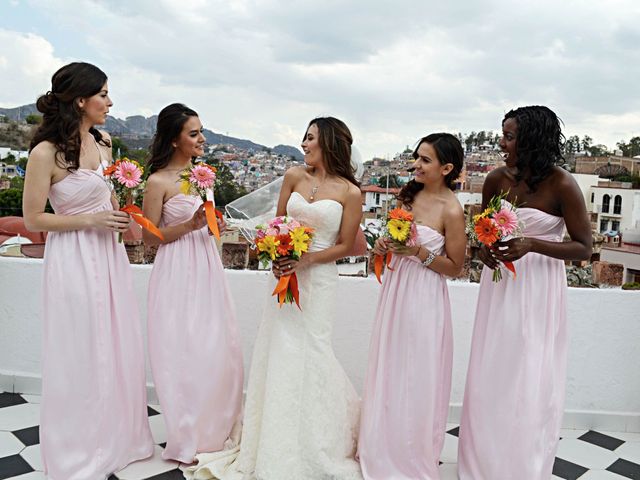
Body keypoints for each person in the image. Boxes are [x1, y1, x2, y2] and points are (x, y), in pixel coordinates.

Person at [186, 117, 363, 480]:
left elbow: (346, 245)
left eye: (310, 137)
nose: (303, 142)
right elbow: (277, 223)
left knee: (314, 351)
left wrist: (308, 259)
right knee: (279, 350)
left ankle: (318, 440)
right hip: (284, 274)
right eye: (304, 136)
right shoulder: (294, 177)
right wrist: (277, 252)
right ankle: (272, 437)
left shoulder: (350, 192)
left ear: (328, 142)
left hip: (320, 280)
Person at [22, 62, 153, 480]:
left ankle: (115, 439)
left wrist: (115, 215)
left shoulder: (105, 142)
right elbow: (33, 221)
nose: (110, 103)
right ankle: (78, 449)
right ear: (81, 100)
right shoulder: (45, 154)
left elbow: (106, 197)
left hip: (107, 257)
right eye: (104, 95)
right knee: (79, 349)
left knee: (114, 343)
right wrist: (91, 221)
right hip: (73, 258)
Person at [458, 106, 592, 479]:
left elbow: (583, 247)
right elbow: (484, 233)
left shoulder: (563, 184)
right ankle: (481, 462)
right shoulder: (495, 180)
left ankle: (522, 465)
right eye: (502, 134)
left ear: (531, 140)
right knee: (492, 371)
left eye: (510, 136)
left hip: (539, 289)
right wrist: (484, 251)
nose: (501, 143)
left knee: (529, 374)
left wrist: (533, 244)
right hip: (500, 287)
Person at [358, 133, 466, 479]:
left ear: (447, 168)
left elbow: (455, 268)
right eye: (416, 157)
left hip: (425, 296)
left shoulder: (452, 210)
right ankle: (382, 445)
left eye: (425, 160)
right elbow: (390, 244)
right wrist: (385, 245)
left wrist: (419, 252)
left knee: (417, 372)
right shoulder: (409, 196)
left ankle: (410, 454)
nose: (416, 165)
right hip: (396, 289)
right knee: (390, 365)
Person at [142, 103, 243, 463]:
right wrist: (191, 225)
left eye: (201, 131)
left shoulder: (205, 175)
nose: (202, 138)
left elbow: (207, 222)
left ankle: (213, 429)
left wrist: (215, 225)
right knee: (181, 348)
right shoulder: (157, 182)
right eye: (194, 133)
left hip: (206, 267)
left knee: (215, 348)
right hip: (176, 269)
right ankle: (185, 432)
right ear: (174, 140)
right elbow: (148, 237)